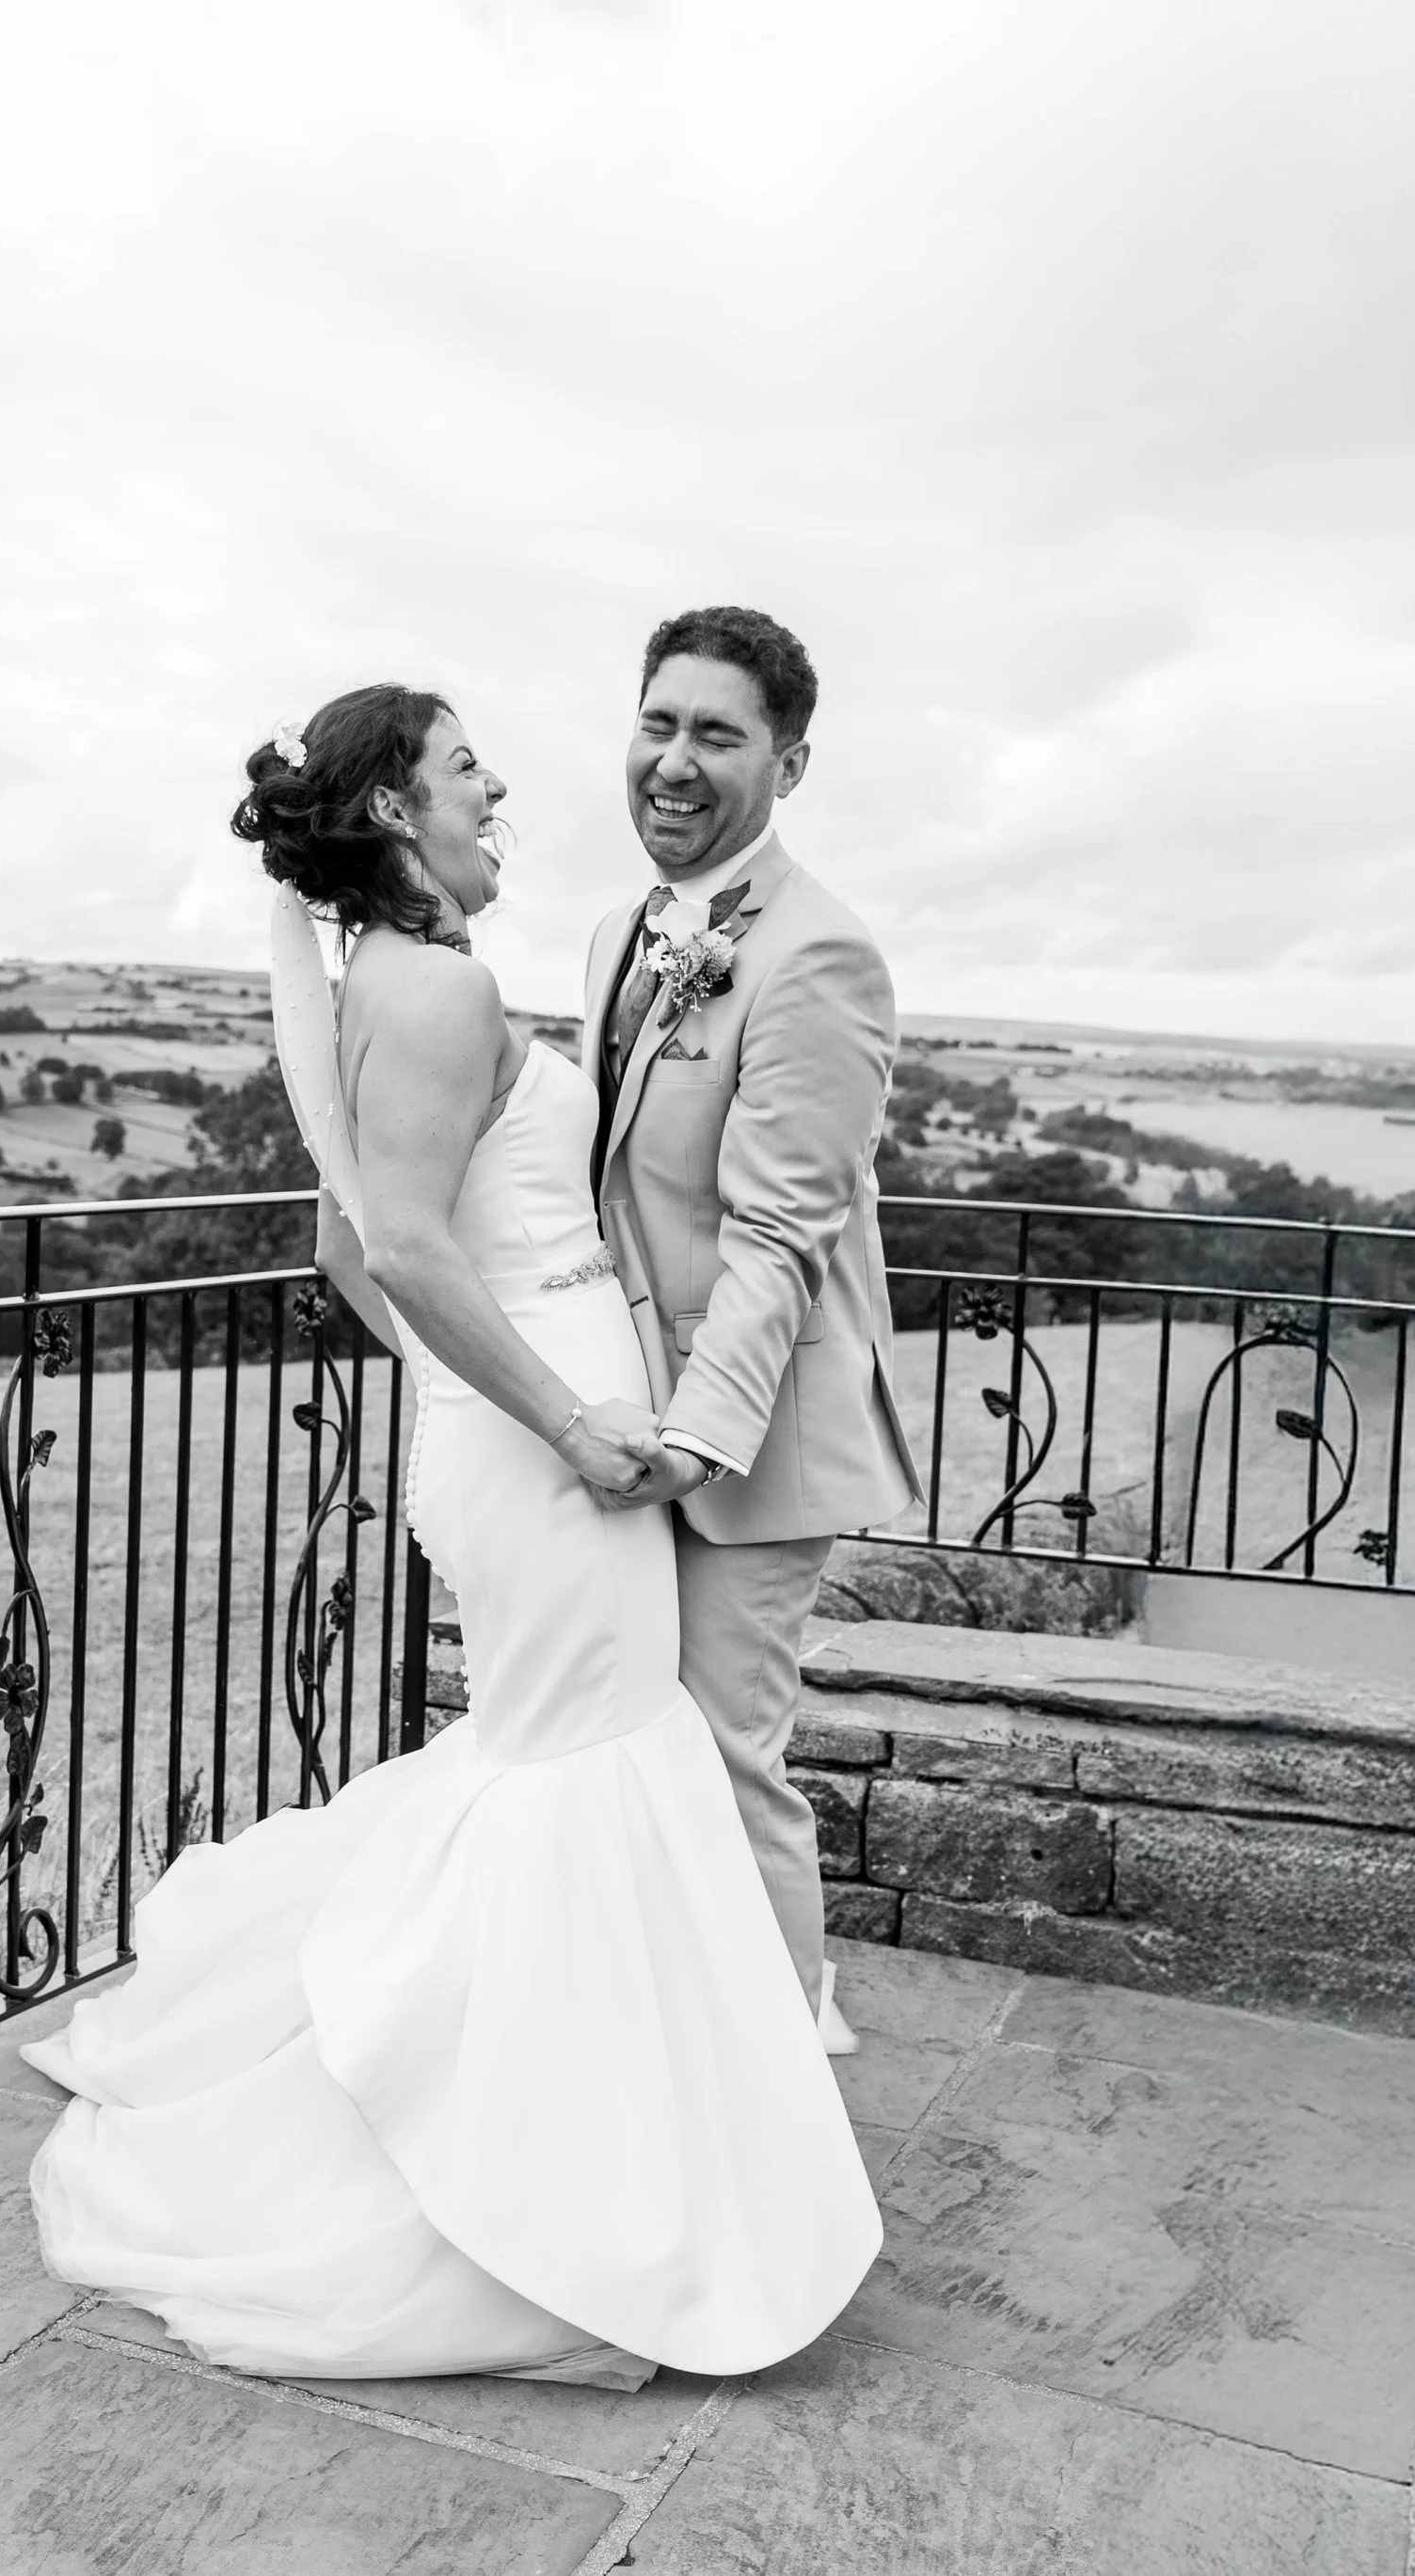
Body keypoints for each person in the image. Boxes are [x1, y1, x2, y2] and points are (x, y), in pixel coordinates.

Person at [20, 683, 880, 2389]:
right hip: (561, 1449)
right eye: (464, 771)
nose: (498, 790)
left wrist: (491, 1405)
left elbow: (364, 1257)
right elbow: (402, 1245)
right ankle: (541, 2194)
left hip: (537, 1428)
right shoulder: (437, 989)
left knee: (576, 1770)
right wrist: (553, 1415)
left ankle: (616, 2148)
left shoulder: (392, 981)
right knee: (584, 1779)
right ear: (400, 817)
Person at [584, 608, 921, 2052]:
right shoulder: (618, 930)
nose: (675, 760)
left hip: (749, 1430)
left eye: (716, 733)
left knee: (726, 1760)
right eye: (659, 722)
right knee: (626, 1756)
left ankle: (775, 2089)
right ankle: (663, 2049)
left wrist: (694, 1435)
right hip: (629, 1407)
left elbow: (782, 1234)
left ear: (790, 762)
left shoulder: (822, 954)